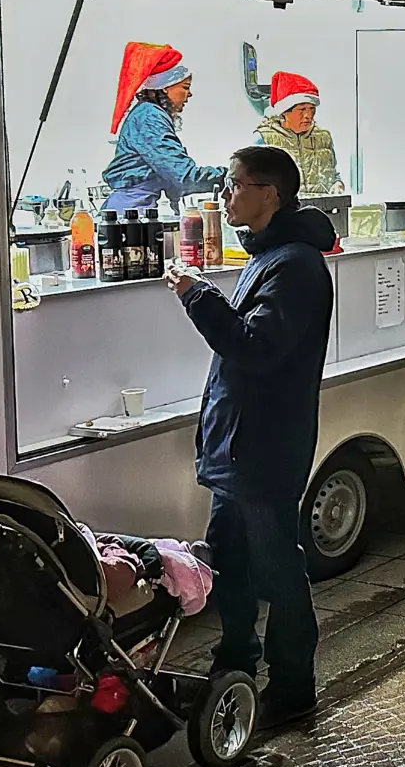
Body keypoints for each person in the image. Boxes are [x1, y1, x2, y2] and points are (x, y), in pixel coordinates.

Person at [168, 145, 336, 729]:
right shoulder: (271, 256)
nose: (226, 195)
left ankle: (293, 687)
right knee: (231, 563)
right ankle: (235, 661)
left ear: (271, 194)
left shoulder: (294, 264)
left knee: (275, 569)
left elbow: (254, 347)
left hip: (262, 449)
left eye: (237, 185)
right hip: (237, 446)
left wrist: (198, 297)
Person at [103, 42, 228, 213]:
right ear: (165, 87)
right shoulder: (150, 117)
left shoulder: (147, 114)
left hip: (138, 206)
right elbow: (184, 177)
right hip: (134, 211)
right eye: (185, 87)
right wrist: (232, 176)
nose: (189, 94)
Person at [253, 71, 346, 195]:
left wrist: (337, 185)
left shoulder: (323, 137)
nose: (308, 115)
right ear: (285, 112)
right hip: (283, 212)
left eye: (312, 109)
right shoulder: (264, 139)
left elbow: (333, 175)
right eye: (302, 109)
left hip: (320, 210)